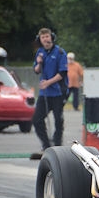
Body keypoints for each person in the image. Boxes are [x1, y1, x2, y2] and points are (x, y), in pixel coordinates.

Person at [30, 27, 68, 159]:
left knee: (58, 120)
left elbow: (62, 74)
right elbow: (36, 70)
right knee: (37, 120)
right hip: (45, 94)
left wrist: (48, 82)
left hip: (58, 92)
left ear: (51, 37)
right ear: (40, 40)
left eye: (47, 36)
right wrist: (39, 63)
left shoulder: (60, 52)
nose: (45, 39)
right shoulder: (40, 53)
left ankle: (57, 145)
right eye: (43, 37)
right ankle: (46, 145)